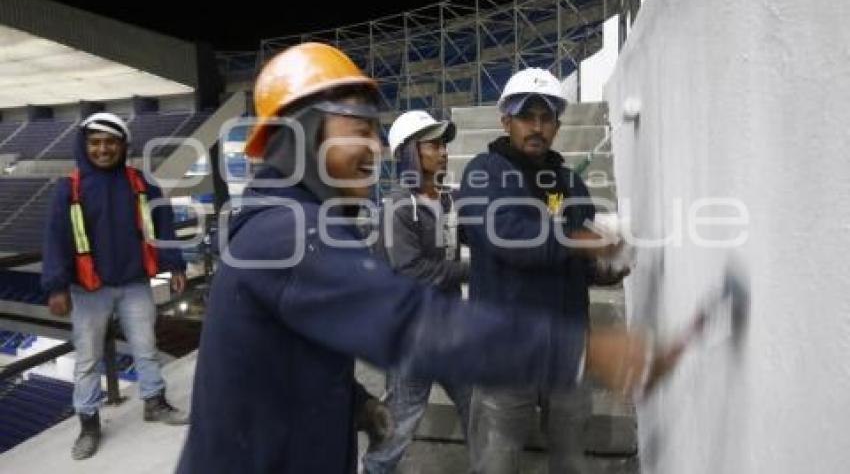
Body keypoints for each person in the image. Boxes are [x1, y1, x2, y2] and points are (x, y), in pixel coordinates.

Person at [176, 43, 671, 474]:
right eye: (360, 129)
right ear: (301, 134)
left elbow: (284, 356)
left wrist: (356, 402)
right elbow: (410, 321)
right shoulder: (287, 232)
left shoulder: (294, 222)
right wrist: (584, 351)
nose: (375, 148)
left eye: (377, 132)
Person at [459, 68, 630, 473]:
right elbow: (509, 236)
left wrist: (604, 270)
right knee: (496, 460)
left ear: (557, 124)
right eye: (526, 116)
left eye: (547, 117)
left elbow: (577, 258)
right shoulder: (484, 173)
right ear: (506, 121)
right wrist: (582, 242)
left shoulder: (571, 183)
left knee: (571, 457)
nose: (537, 127)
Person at [42, 112, 189, 460]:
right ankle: (89, 424)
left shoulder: (140, 182)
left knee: (146, 346)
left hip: (135, 283)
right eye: (95, 143)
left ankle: (154, 402)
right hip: (88, 290)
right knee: (88, 359)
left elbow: (162, 222)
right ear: (85, 146)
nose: (103, 149)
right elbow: (56, 238)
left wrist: (175, 264)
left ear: (123, 146)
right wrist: (56, 287)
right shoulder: (69, 187)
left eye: (111, 142)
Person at [362, 110, 471, 473]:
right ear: (409, 153)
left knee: (478, 407)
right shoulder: (397, 208)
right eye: (434, 145)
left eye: (444, 144)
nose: (443, 152)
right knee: (399, 425)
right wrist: (473, 269)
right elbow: (413, 273)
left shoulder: (445, 200)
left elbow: (461, 238)